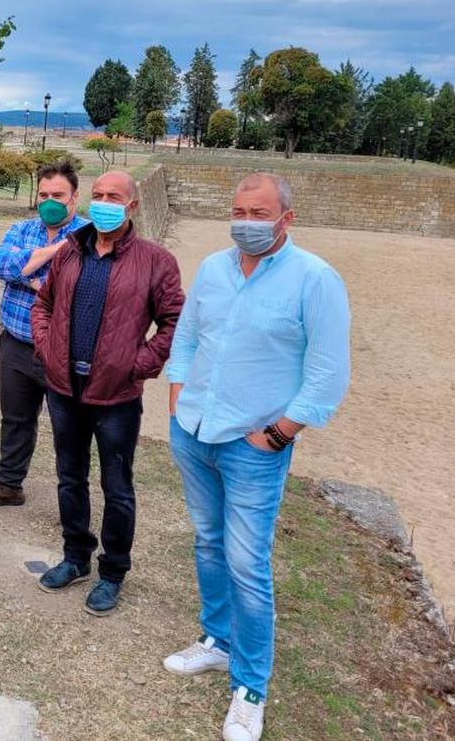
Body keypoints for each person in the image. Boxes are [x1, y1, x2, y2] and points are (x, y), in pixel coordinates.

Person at [162, 172, 351, 741]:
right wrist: (177, 398)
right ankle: (216, 641)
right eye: (238, 210)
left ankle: (250, 688)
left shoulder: (314, 280)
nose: (245, 221)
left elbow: (327, 375)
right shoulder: (215, 269)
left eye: (258, 212)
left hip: (254, 445)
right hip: (196, 430)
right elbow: (189, 336)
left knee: (248, 563)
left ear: (285, 218)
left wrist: (278, 433)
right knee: (208, 541)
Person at [30, 170, 183, 616]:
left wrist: (137, 366)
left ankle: (113, 572)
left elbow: (174, 322)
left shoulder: (156, 262)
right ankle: (76, 556)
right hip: (64, 388)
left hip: (116, 397)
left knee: (117, 486)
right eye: (97, 195)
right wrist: (47, 346)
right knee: (69, 477)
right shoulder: (71, 251)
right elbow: (44, 305)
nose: (103, 202)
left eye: (113, 196)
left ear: (132, 206)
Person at [0, 160, 89, 509]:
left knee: (70, 429)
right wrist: (55, 252)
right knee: (15, 419)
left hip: (63, 352)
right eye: (44, 194)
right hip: (17, 344)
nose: (50, 201)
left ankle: (73, 503)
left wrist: (30, 273)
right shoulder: (22, 229)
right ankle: (9, 485)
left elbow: (77, 287)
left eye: (58, 195)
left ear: (74, 197)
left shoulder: (91, 236)